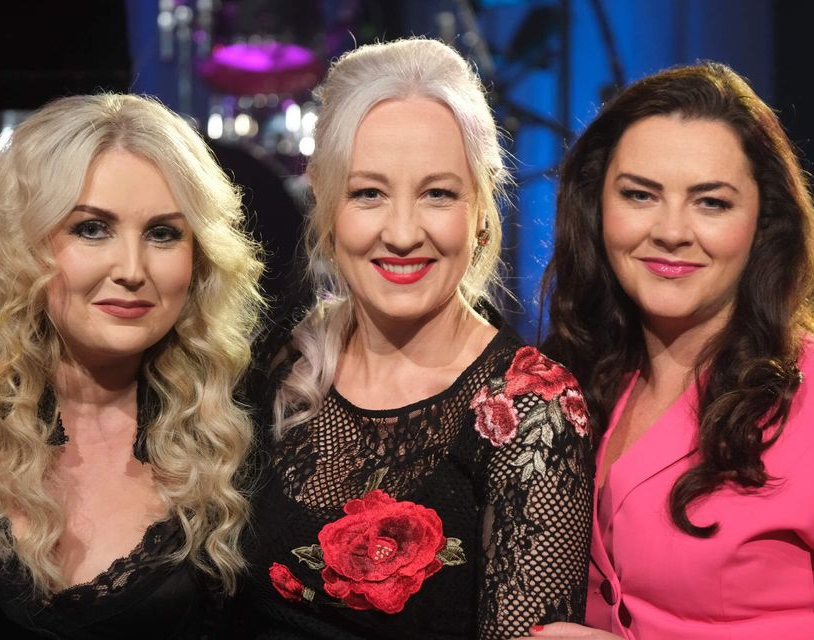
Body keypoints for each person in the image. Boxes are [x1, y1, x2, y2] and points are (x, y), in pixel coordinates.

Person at [238, 37, 593, 640]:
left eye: (438, 193)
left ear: (481, 210)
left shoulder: (532, 408)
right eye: (368, 193)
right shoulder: (280, 356)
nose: (402, 233)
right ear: (325, 206)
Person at [0, 94, 264, 638]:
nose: (133, 270)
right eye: (92, 229)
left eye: (163, 233)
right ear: (27, 243)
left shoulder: (237, 419)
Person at [532, 63, 814, 640]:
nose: (672, 231)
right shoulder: (572, 380)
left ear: (763, 222)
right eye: (640, 195)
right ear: (595, 208)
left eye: (711, 203)